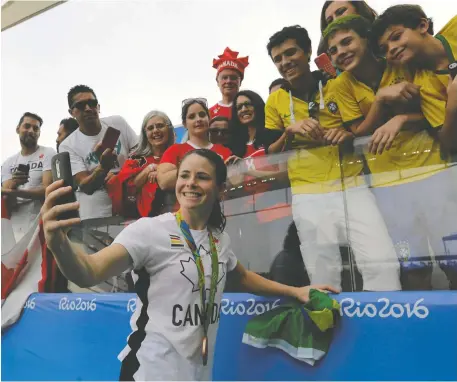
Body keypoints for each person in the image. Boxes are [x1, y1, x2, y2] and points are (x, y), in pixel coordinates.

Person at [41, 148, 338, 381]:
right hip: (150, 371)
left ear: (220, 190)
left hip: (197, 373)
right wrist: (58, 244)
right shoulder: (149, 231)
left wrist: (296, 292)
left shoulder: (219, 240)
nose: (190, 183)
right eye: (185, 175)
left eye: (202, 177)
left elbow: (243, 277)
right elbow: (89, 270)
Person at [264, 25, 401, 291]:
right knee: (322, 272)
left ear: (307, 52)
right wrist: (290, 131)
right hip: (307, 192)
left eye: (291, 53)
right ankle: (329, 328)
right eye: (278, 59)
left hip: (351, 184)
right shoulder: (275, 101)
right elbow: (271, 153)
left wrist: (346, 134)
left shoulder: (338, 84)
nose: (285, 62)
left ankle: (385, 327)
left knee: (380, 261)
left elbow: (361, 128)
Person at [325, 14, 457, 289]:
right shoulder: (339, 86)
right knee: (413, 267)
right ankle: (422, 327)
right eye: (333, 50)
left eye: (347, 42)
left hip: (434, 170)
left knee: (453, 260)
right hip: (387, 185)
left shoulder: (402, 60)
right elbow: (358, 132)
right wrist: (382, 100)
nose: (341, 53)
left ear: (366, 41)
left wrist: (401, 120)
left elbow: (433, 114)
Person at [372, 5, 457, 151]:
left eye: (396, 37)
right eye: (384, 49)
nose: (391, 49)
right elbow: (449, 143)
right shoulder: (423, 87)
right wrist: (452, 105)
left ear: (422, 26)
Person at [59, 84, 138, 220]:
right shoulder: (68, 145)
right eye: (81, 105)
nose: (88, 108)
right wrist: (103, 168)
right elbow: (85, 185)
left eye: (92, 103)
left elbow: (139, 152)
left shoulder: (117, 123)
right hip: (96, 216)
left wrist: (121, 175)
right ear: (72, 112)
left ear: (98, 106)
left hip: (129, 207)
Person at [107, 110, 175, 218]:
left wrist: (160, 170)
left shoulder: (179, 154)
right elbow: (128, 189)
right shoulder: (136, 159)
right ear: (145, 134)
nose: (155, 131)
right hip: (144, 220)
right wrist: (149, 169)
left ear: (169, 129)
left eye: (160, 126)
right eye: (150, 128)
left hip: (176, 217)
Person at [157, 98, 232, 194]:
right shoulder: (174, 150)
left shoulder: (224, 151)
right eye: (192, 117)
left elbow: (235, 179)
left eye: (202, 115)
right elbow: (164, 182)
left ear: (208, 119)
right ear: (185, 124)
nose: (198, 119)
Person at [1, 112, 56, 241]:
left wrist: (16, 191)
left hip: (40, 221)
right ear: (17, 129)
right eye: (27, 126)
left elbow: (47, 189)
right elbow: (6, 194)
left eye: (35, 128)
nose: (31, 131)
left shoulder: (48, 153)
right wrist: (15, 183)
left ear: (39, 133)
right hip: (15, 225)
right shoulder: (9, 162)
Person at [209, 47, 249, 120]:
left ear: (240, 82)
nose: (228, 81)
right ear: (217, 82)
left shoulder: (249, 109)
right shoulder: (209, 113)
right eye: (224, 78)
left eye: (233, 78)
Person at [228, 90, 266, 158]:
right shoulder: (235, 144)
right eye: (239, 107)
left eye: (248, 104)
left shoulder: (272, 135)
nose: (244, 109)